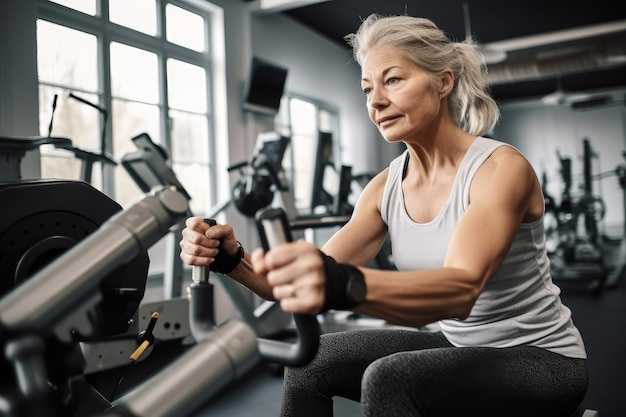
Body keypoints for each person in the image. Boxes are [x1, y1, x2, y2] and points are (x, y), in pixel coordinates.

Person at [179, 13, 588, 417]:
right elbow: (292, 286)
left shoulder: (499, 169)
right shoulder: (384, 187)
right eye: (367, 88)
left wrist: (339, 284)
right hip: (461, 345)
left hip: (541, 359)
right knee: (309, 359)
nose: (375, 101)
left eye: (392, 80)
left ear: (443, 82)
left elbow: (459, 292)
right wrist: (231, 258)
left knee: (390, 379)